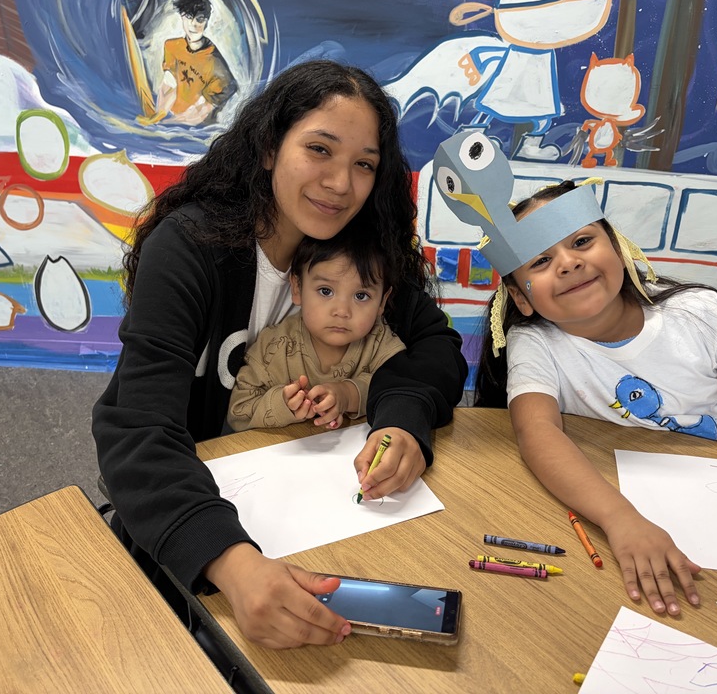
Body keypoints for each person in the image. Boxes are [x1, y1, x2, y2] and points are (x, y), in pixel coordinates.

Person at [431, 133, 717, 620]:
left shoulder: (696, 315)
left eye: (581, 241)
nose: (568, 263)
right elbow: (536, 431)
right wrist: (619, 518)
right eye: (540, 262)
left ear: (620, 248)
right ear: (522, 299)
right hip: (642, 511)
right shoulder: (538, 343)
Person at [94, 60, 467, 650]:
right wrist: (232, 565)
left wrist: (400, 419)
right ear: (269, 147)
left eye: (364, 165)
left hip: (322, 503)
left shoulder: (353, 255)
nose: (341, 184)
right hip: (198, 515)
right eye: (320, 149)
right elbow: (137, 429)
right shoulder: (190, 248)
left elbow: (437, 349)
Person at [227, 226, 406, 432]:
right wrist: (283, 405)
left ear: (382, 301)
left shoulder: (379, 342)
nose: (342, 311)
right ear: (297, 287)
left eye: (360, 296)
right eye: (325, 291)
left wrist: (347, 395)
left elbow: (399, 389)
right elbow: (237, 412)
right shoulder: (274, 348)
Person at [139, 0, 236, 126]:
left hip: (198, 131)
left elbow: (201, 111)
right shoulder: (172, 46)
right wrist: (158, 116)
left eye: (200, 19)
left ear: (206, 22)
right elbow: (169, 85)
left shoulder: (215, 64)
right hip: (171, 119)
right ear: (182, 17)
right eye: (189, 17)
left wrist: (169, 124)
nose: (194, 25)